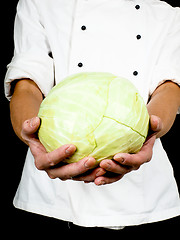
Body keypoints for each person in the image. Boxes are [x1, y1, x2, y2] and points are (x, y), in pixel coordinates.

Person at [4, 0, 180, 230]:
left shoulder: (166, 14)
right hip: (52, 197)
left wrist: (148, 131)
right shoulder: (40, 3)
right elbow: (27, 84)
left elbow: (169, 86)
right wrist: (31, 134)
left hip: (145, 196)